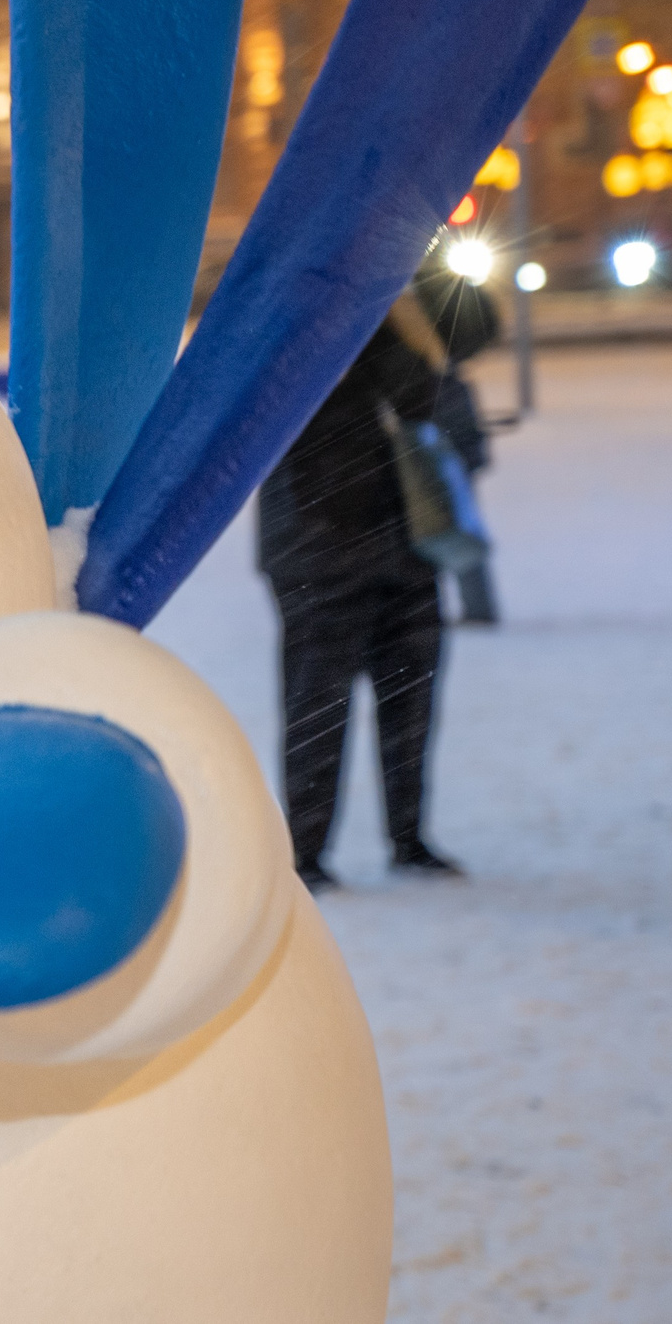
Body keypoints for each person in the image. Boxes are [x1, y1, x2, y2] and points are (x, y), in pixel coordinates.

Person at [257, 286, 467, 891]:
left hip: (405, 542)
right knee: (317, 706)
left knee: (412, 699)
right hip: (317, 547)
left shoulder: (406, 313)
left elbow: (432, 384)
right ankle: (306, 853)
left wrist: (406, 302)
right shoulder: (294, 321)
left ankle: (409, 838)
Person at [415, 269, 505, 625]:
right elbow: (482, 329)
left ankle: (467, 606)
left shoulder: (418, 284)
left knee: (435, 512)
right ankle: (476, 605)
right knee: (457, 511)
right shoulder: (438, 282)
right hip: (448, 407)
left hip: (432, 408)